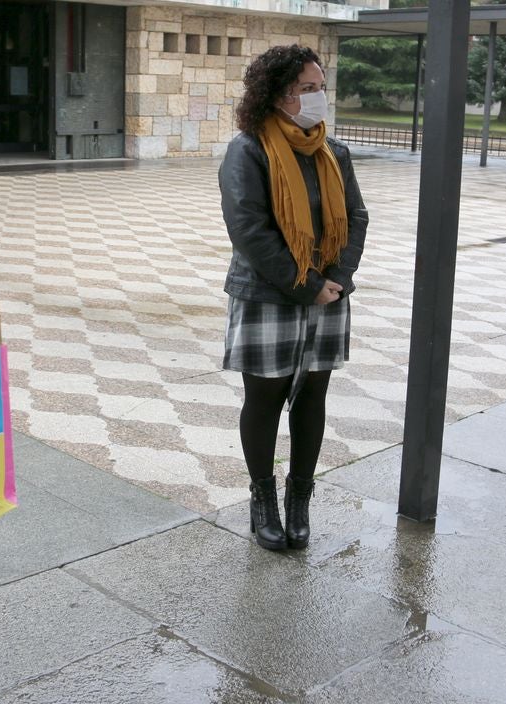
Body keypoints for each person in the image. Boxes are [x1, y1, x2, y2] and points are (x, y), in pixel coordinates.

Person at [219, 45, 368, 551]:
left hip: (328, 292)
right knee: (266, 397)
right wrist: (305, 284)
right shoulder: (249, 149)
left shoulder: (333, 151)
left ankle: (299, 499)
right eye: (307, 88)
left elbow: (356, 217)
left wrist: (337, 277)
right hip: (268, 293)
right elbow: (249, 229)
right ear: (278, 94)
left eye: (320, 87)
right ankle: (263, 501)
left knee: (312, 397)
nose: (318, 97)